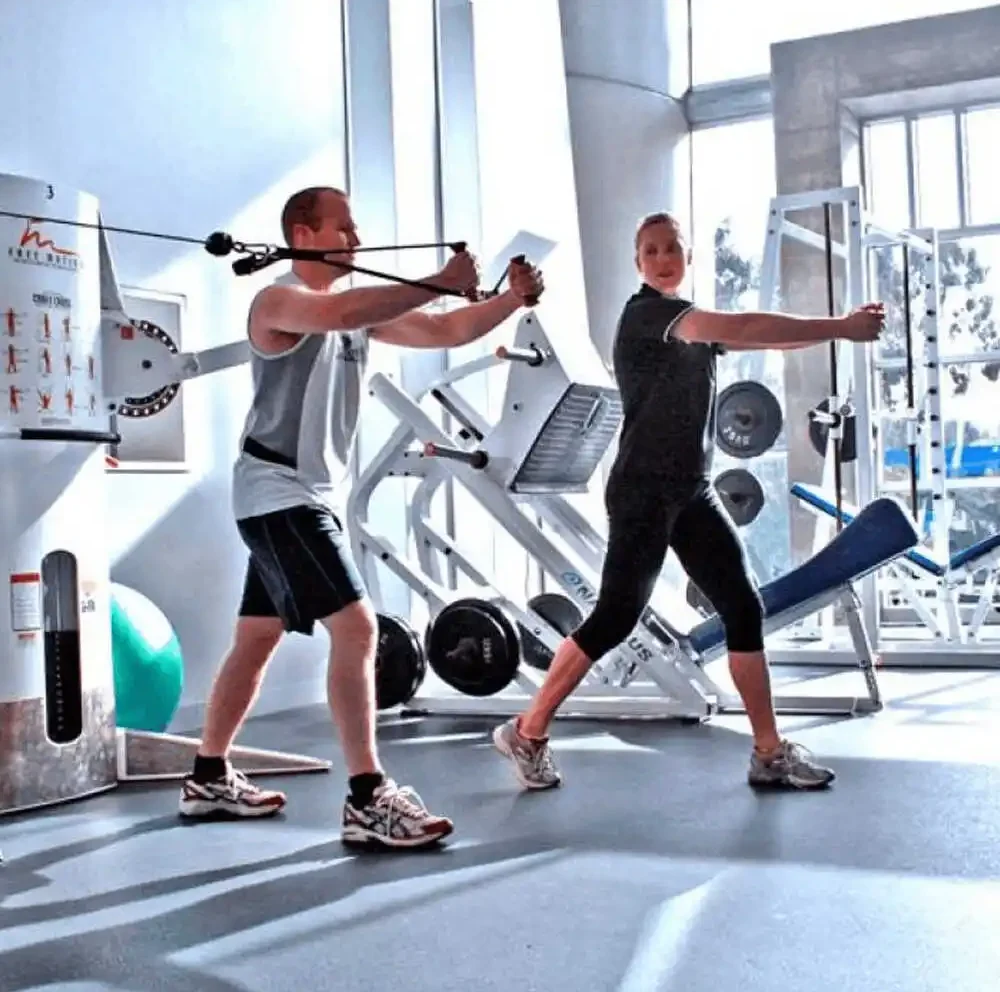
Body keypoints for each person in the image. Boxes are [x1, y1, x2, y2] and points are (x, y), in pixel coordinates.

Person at [178, 185, 544, 849]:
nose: (356, 240)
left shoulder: (355, 319)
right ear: (303, 233)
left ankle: (207, 777)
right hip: (277, 492)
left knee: (256, 639)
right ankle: (368, 798)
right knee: (357, 628)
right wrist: (438, 281)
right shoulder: (279, 301)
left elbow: (445, 329)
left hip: (299, 497)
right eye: (343, 229)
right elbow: (342, 309)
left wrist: (509, 300)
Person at [492, 210, 884, 792]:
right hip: (643, 488)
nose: (662, 259)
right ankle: (527, 731)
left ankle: (768, 752)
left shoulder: (691, 324)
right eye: (650, 251)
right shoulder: (650, 315)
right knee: (615, 617)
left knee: (742, 608)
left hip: (690, 488)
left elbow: (766, 335)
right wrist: (842, 325)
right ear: (637, 263)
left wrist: (838, 331)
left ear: (688, 255)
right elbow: (747, 324)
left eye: (672, 247)